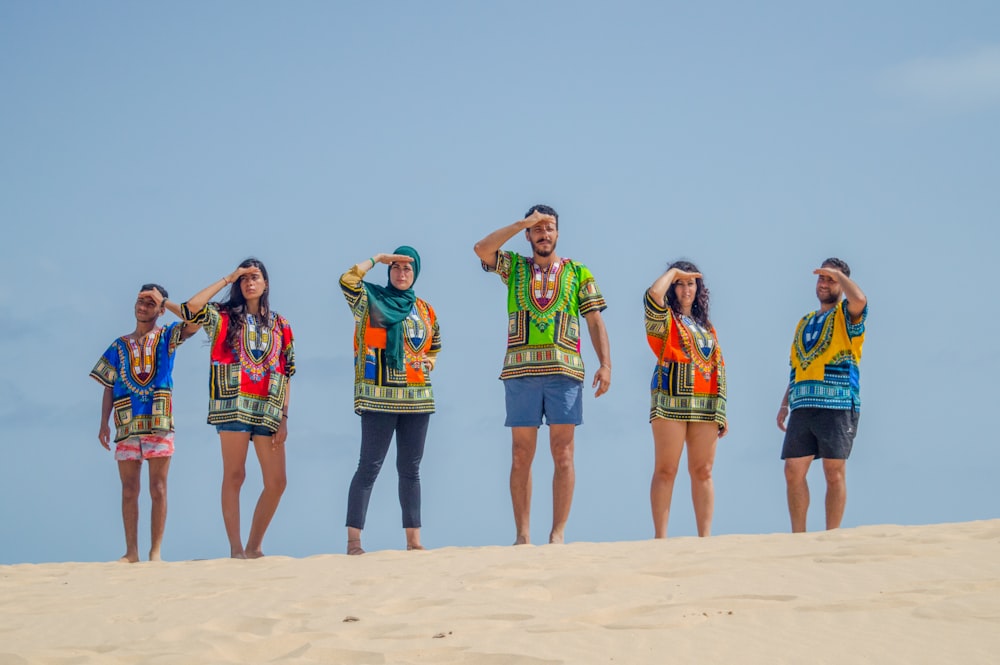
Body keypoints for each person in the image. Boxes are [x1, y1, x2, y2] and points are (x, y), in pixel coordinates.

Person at [474, 204, 611, 545]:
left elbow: (594, 320)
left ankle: (558, 533)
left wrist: (605, 363)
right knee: (521, 454)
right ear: (528, 235)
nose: (543, 233)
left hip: (565, 371)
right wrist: (521, 221)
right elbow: (482, 249)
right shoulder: (515, 268)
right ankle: (522, 534)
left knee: (563, 452)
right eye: (537, 228)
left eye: (548, 227)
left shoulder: (578, 271)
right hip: (520, 371)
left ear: (558, 233)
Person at [181, 258, 295, 558]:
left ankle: (254, 545)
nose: (249, 282)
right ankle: (236, 548)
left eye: (254, 276)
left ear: (266, 283)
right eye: (243, 278)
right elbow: (191, 307)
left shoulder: (281, 325)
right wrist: (227, 277)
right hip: (232, 404)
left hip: (268, 408)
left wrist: (284, 417)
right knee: (235, 475)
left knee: (277, 482)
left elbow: (287, 371)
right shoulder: (223, 317)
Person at [340, 247, 441, 555]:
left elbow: (434, 344)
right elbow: (347, 280)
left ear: (416, 274)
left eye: (407, 269)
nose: (400, 273)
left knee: (410, 469)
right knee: (369, 467)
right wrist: (376, 259)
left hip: (417, 397)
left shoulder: (425, 309)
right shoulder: (370, 300)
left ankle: (414, 541)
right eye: (395, 267)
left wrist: (430, 363)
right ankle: (354, 541)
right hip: (379, 395)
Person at [90, 284, 199, 562]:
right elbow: (108, 385)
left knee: (158, 488)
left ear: (161, 309)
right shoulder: (118, 345)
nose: (143, 306)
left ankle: (155, 551)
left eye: (151, 302)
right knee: (129, 490)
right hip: (126, 423)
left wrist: (167, 300)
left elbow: (195, 321)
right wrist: (104, 422)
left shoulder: (167, 336)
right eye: (140, 300)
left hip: (159, 420)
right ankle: (131, 551)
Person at [777, 258, 868, 533]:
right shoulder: (804, 321)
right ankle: (798, 535)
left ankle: (832, 534)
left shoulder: (846, 314)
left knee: (833, 471)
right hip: (803, 404)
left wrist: (839, 274)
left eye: (831, 279)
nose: (825, 284)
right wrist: (784, 403)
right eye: (822, 278)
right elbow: (797, 365)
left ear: (842, 283)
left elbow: (860, 300)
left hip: (837, 402)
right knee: (793, 471)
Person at [645, 261, 728, 538]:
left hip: (705, 403)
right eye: (680, 283)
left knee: (703, 470)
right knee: (666, 469)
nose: (685, 288)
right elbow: (653, 296)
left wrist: (721, 410)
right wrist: (672, 274)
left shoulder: (707, 326)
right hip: (671, 398)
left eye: (691, 282)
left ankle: (705, 537)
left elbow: (718, 364)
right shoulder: (665, 318)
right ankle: (661, 537)